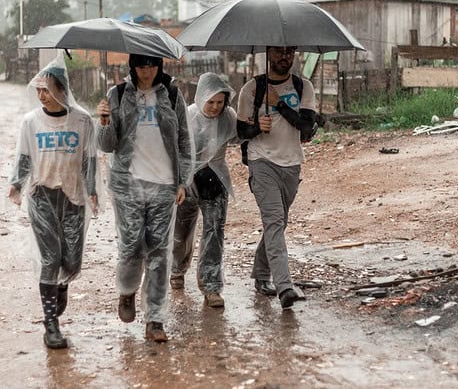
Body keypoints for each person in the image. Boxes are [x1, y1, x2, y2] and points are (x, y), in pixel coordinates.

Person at [96, 53, 193, 343]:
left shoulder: (172, 94)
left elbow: (184, 140)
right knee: (131, 247)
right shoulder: (118, 94)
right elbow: (107, 145)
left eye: (151, 65)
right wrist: (104, 121)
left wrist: (182, 182)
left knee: (159, 253)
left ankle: (155, 318)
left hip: (164, 184)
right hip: (128, 185)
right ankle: (127, 291)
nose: (147, 71)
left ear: (159, 66)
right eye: (141, 66)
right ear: (133, 67)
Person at [8, 56, 98, 349]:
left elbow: (89, 159)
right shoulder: (31, 122)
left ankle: (60, 286)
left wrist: (93, 191)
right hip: (42, 195)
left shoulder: (82, 120)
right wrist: (16, 185)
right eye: (39, 90)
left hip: (73, 197)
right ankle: (51, 326)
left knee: (70, 261)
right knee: (50, 259)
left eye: (46, 89)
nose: (41, 94)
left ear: (62, 89)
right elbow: (24, 156)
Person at [236, 46, 317, 309]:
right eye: (279, 52)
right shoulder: (252, 89)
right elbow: (240, 131)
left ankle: (260, 274)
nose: (284, 57)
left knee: (278, 223)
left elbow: (306, 127)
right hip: (262, 162)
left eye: (289, 52)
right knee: (273, 221)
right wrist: (258, 126)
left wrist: (280, 103)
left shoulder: (303, 86)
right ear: (268, 54)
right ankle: (284, 287)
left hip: (292, 164)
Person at [170, 73, 238, 308]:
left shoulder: (229, 117)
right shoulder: (188, 116)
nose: (215, 107)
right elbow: (176, 150)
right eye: (211, 102)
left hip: (216, 180)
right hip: (188, 182)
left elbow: (242, 136)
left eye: (220, 102)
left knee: (214, 233)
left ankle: (211, 286)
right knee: (181, 231)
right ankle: (177, 270)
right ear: (201, 98)